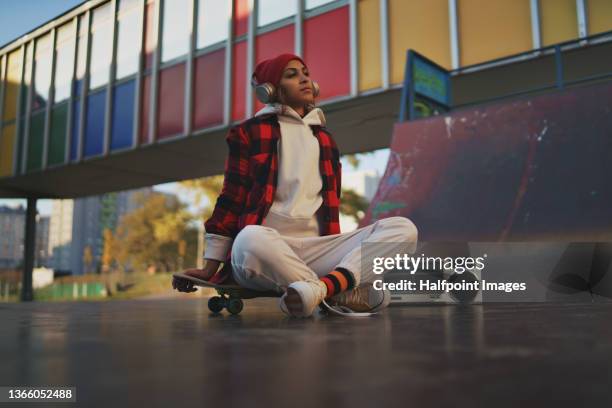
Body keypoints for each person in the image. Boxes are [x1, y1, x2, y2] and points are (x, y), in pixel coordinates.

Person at [173, 53, 418, 317]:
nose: (303, 79)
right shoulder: (249, 132)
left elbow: (330, 205)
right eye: (291, 75)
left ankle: (319, 291)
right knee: (249, 237)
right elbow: (230, 199)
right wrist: (210, 267)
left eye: (305, 73)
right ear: (269, 90)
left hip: (318, 249)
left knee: (403, 229)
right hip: (267, 251)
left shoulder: (325, 140)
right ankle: (338, 292)